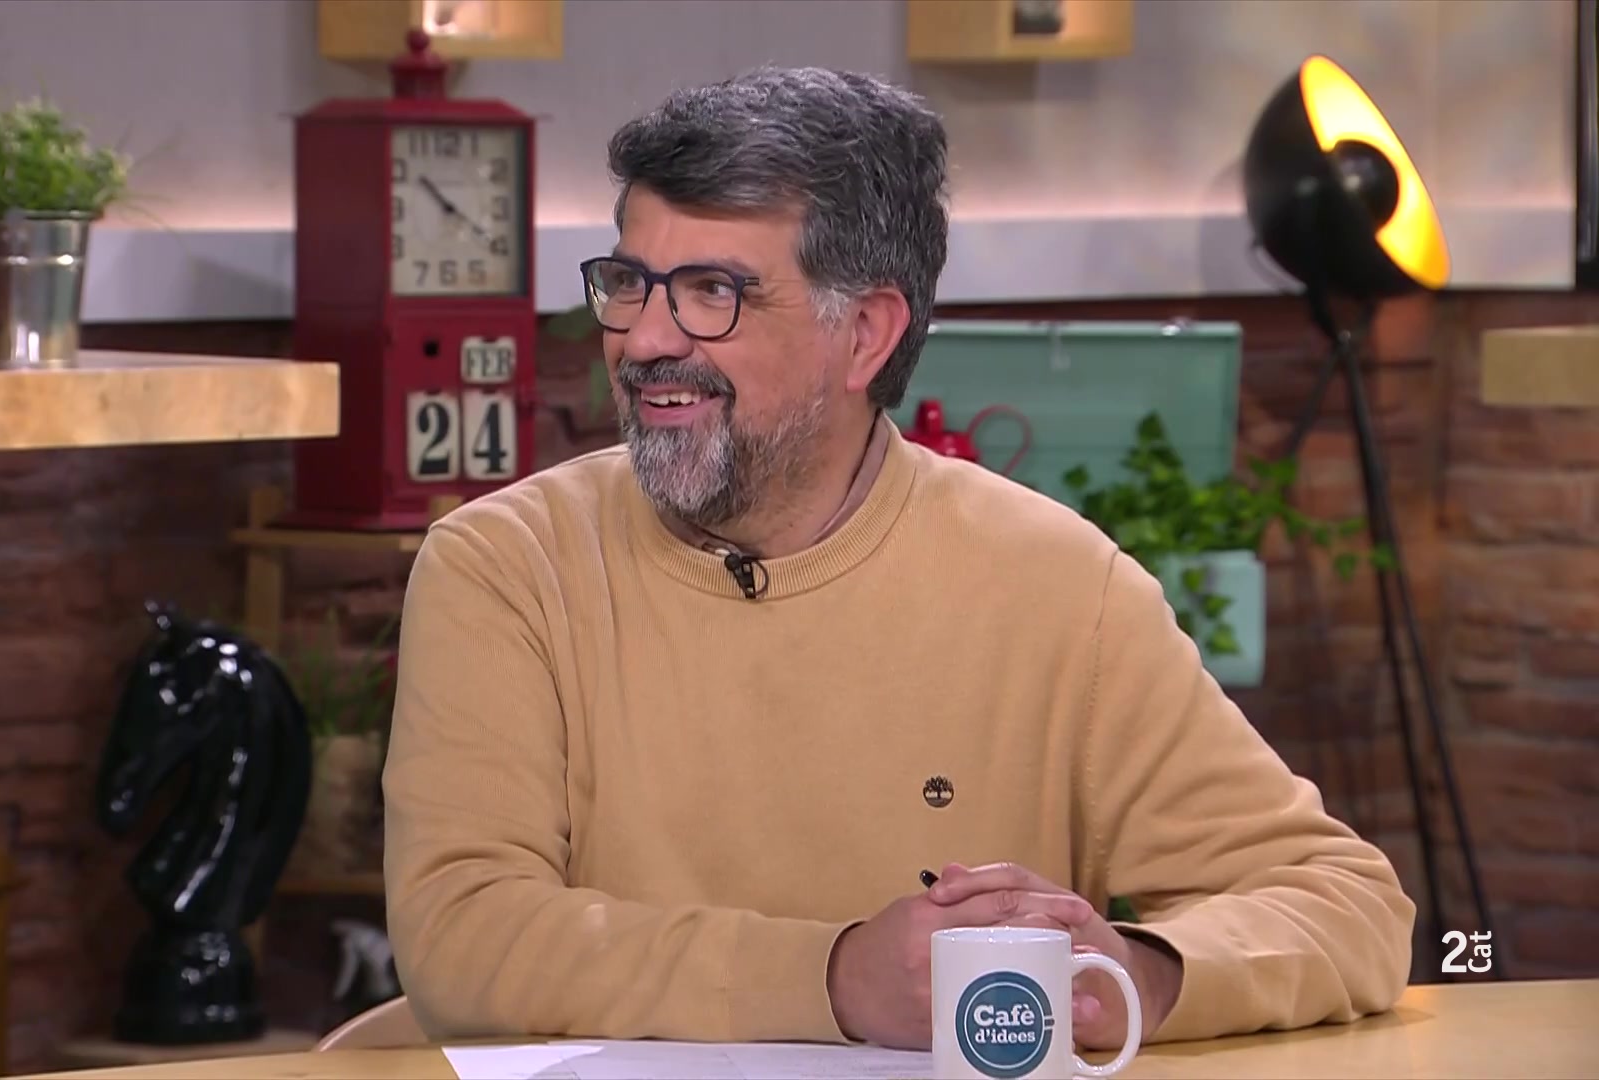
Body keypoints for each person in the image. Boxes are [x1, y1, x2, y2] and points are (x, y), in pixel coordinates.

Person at [379, 65, 1416, 1053]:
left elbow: (1342, 902)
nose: (646, 340)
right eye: (630, 283)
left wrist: (1131, 976)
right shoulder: (507, 567)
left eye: (710, 291)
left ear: (866, 334)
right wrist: (835, 980)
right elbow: (464, 933)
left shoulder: (1054, 584)